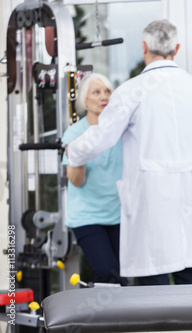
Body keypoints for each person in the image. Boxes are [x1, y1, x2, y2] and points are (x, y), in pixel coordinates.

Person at [66, 19, 192, 285]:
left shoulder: (132, 90)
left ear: (144, 47)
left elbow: (101, 137)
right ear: (176, 48)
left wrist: (73, 152)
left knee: (151, 287)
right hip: (190, 199)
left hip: (150, 201)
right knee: (190, 281)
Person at [62, 73, 125, 284]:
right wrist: (79, 152)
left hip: (118, 214)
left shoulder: (119, 131)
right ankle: (94, 316)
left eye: (107, 91)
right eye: (96, 92)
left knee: (124, 275)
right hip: (87, 216)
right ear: (84, 100)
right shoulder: (74, 134)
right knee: (107, 272)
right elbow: (76, 181)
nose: (103, 97)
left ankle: (122, 317)